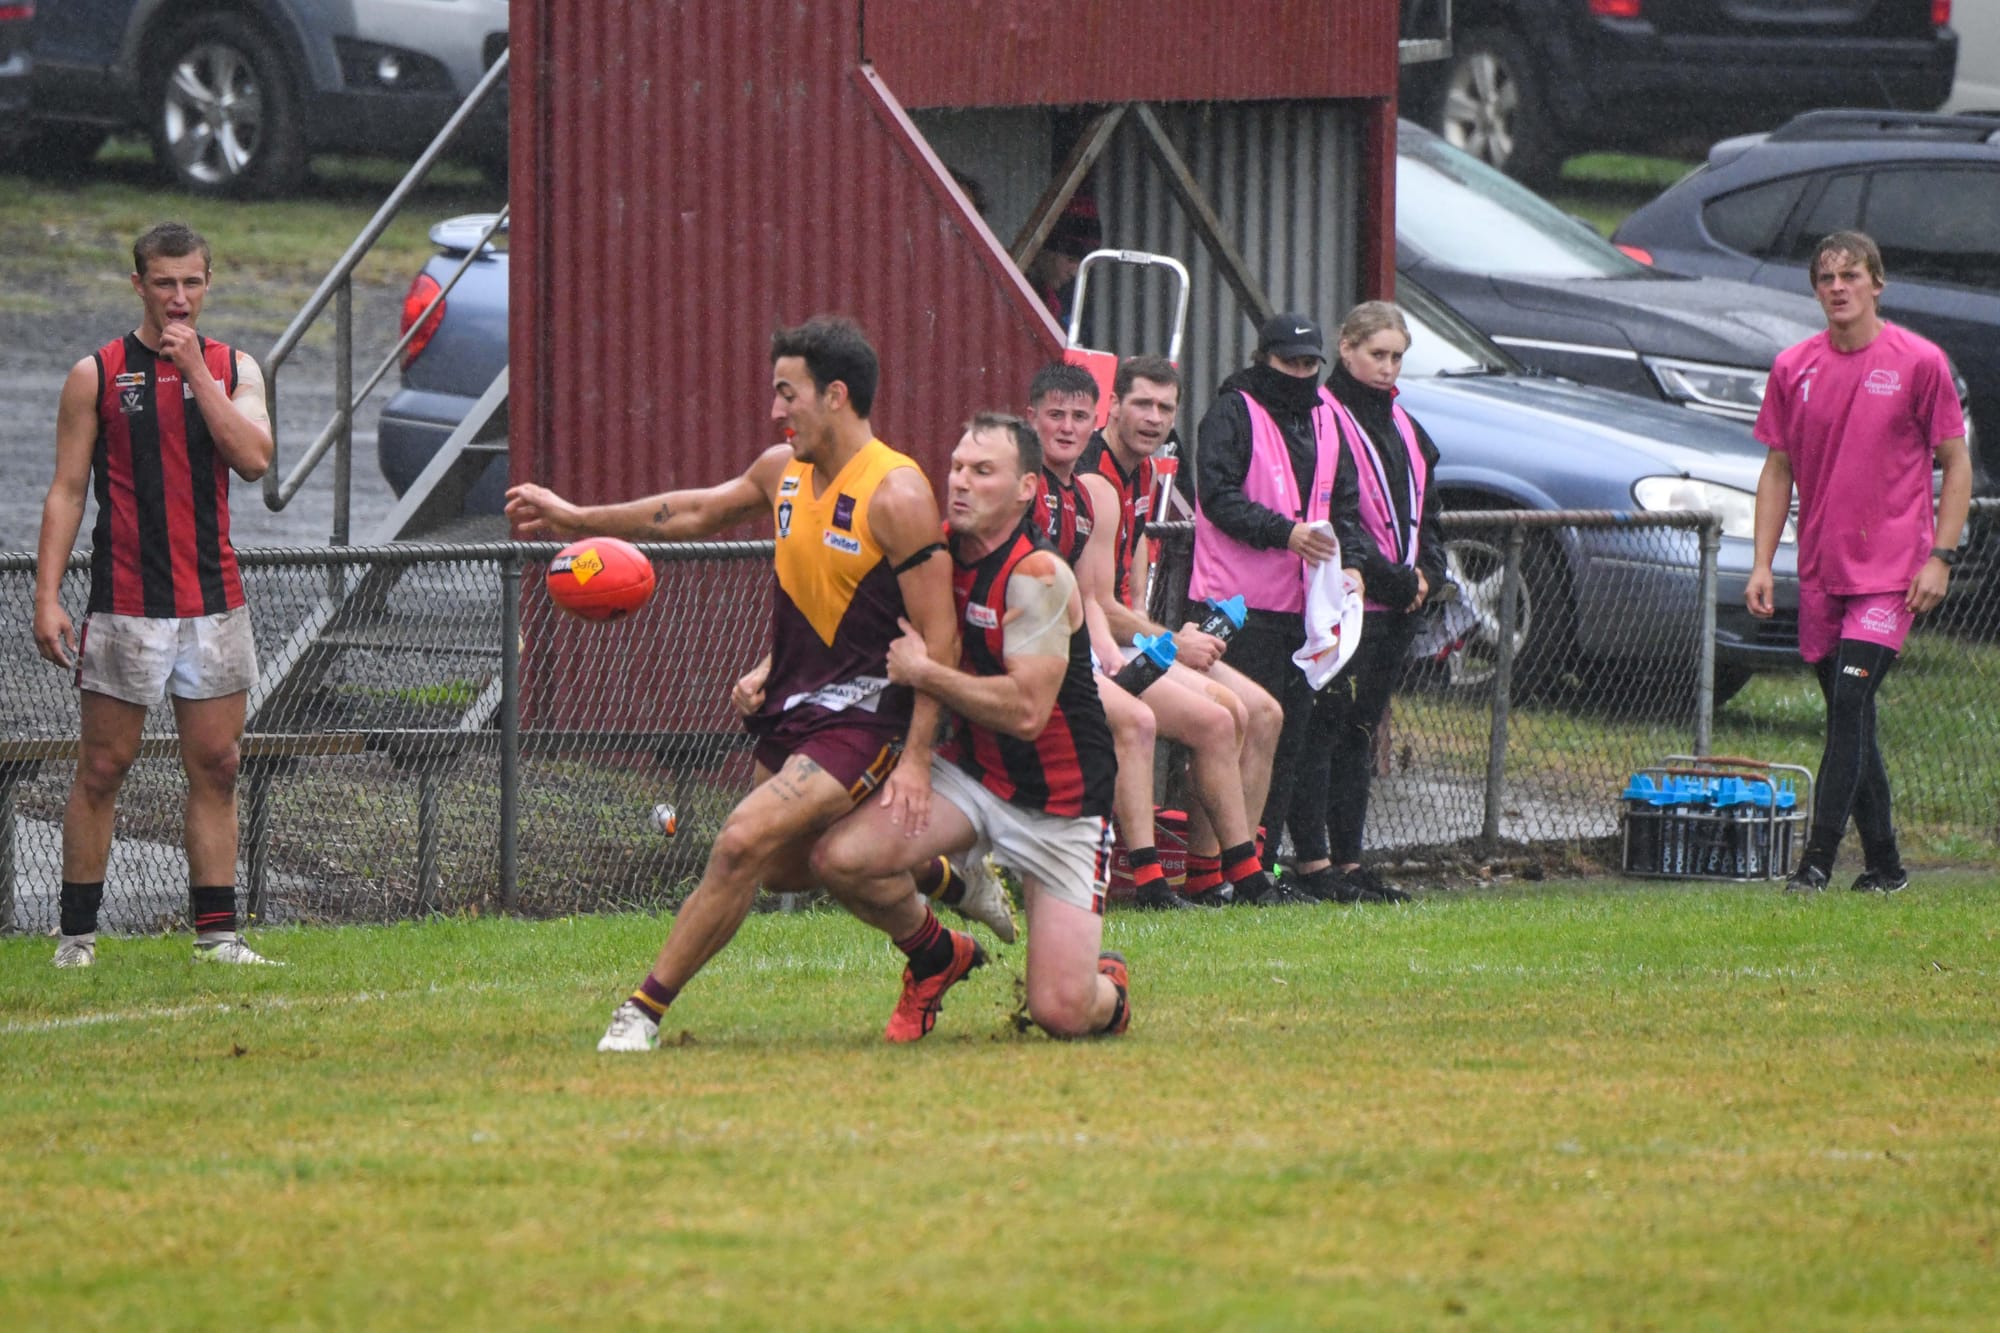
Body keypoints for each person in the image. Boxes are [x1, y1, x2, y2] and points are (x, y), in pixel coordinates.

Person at [504, 316, 976, 1051]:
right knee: (790, 866)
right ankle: (936, 928)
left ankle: (641, 1010)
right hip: (790, 702)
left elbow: (939, 637)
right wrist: (577, 517)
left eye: (788, 394)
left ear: (836, 396)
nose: (775, 410)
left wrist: (916, 757)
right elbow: (693, 509)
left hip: (864, 715)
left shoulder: (898, 493)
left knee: (739, 843)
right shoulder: (780, 471)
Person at [814, 414, 1130, 1039]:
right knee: (840, 859)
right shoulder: (930, 552)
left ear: (1026, 490)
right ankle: (937, 949)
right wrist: (770, 670)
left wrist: (924, 674)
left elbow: (1025, 711)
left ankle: (1110, 988)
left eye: (982, 471)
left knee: (1061, 1012)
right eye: (957, 467)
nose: (959, 482)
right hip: (974, 777)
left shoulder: (1037, 575)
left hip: (1061, 802)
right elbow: (851, 621)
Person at [34, 223, 278, 969]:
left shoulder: (236, 368)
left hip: (213, 599)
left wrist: (196, 374)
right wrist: (48, 594)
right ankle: (76, 936)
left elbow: (255, 461)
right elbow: (68, 490)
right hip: (127, 602)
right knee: (104, 766)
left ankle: (217, 935)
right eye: (164, 283)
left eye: (192, 283)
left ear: (209, 284)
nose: (179, 298)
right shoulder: (97, 373)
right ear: (138, 284)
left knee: (219, 763)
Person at [1746, 231, 1971, 894]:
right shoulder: (1794, 367)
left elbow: (1955, 465)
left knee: (1849, 699)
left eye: (1851, 275)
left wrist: (1941, 557)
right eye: (1825, 278)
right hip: (1821, 570)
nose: (1838, 288)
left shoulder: (1918, 362)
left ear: (1878, 283)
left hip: (1893, 573)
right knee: (1854, 716)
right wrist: (1764, 561)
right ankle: (1886, 866)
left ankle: (1815, 862)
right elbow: (1777, 468)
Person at [1075, 356, 1289, 906]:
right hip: (1099, 644)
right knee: (1222, 715)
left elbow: (1133, 592)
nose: (1153, 418)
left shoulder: (1149, 469)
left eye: (1165, 408)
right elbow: (1098, 603)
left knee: (1264, 712)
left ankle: (1214, 874)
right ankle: (1225, 877)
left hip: (1131, 635)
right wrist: (1168, 641)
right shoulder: (1092, 477)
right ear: (1114, 406)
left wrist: (1166, 634)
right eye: (1141, 404)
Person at [1192, 313, 1369, 903]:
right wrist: (1284, 533)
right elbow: (1217, 497)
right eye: (1289, 363)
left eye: (1309, 365)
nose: (1301, 374)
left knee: (1285, 739)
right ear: (1262, 359)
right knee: (1228, 735)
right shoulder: (1232, 413)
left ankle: (1255, 869)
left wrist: (1352, 565)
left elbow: (1345, 502)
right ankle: (1213, 870)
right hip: (1235, 603)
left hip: (1303, 609)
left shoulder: (1325, 418)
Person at [1025, 362, 1185, 911]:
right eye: (1055, 416)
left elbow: (1090, 596)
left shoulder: (1080, 495)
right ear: (1031, 420)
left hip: (1068, 655)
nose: (1067, 428)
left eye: (1077, 417)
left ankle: (1189, 875)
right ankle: (1144, 877)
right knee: (1137, 722)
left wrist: (1106, 657)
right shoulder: (1024, 485)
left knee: (1220, 712)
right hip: (1012, 656)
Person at [1313, 301, 1448, 904]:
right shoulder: (1325, 417)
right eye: (1377, 355)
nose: (1388, 368)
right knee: (1326, 730)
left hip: (1398, 604)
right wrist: (1388, 576)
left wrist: (1428, 572)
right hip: (1347, 603)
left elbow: (1429, 514)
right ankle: (1314, 864)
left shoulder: (1406, 427)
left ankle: (1349, 861)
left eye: (1397, 357)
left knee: (1360, 733)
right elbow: (1337, 512)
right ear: (1346, 349)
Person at [1025, 194, 1101, 326]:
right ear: (1044, 252)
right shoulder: (1014, 287)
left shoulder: (1061, 300)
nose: (1075, 273)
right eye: (1071, 260)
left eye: (1085, 264)